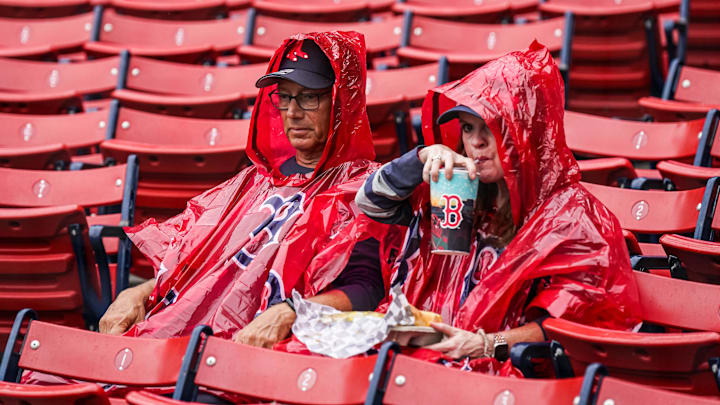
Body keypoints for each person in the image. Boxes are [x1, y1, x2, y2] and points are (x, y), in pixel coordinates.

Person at [356, 41, 641, 368]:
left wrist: (487, 344)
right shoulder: (455, 188)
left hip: (506, 373)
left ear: (523, 131)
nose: (474, 142)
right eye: (467, 128)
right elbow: (370, 205)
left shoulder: (572, 217)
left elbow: (569, 323)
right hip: (424, 355)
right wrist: (420, 157)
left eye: (489, 127)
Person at [96, 32, 389, 347]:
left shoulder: (363, 187)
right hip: (193, 339)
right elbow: (209, 272)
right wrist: (139, 292)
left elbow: (366, 289)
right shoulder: (255, 180)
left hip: (268, 353)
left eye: (308, 96)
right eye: (285, 97)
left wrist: (290, 312)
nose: (292, 112)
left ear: (341, 100)